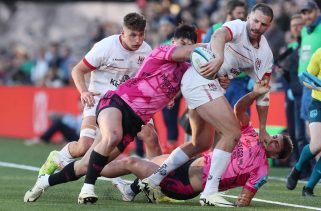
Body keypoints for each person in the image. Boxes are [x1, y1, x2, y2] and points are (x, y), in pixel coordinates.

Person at [23, 24, 201, 204]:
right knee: (112, 136)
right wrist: (213, 47)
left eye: (189, 44)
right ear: (173, 42)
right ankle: (88, 189)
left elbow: (192, 84)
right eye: (182, 43)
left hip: (136, 120)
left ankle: (44, 182)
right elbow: (188, 54)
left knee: (89, 165)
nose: (185, 47)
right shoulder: (164, 50)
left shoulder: (186, 70)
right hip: (118, 101)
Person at [141, 3, 274, 207]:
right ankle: (209, 192)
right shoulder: (238, 26)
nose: (257, 26)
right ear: (248, 18)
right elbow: (219, 35)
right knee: (232, 133)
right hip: (200, 80)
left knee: (201, 143)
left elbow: (263, 92)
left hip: (210, 86)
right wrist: (219, 57)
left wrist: (263, 128)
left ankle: (152, 180)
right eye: (255, 20)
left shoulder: (265, 54)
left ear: (269, 26)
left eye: (263, 24)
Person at [109, 82, 293, 207]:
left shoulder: (261, 170)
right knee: (155, 160)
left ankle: (86, 169)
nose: (273, 139)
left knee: (131, 163)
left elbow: (244, 198)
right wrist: (254, 94)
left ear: (275, 156)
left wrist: (242, 199)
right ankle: (131, 189)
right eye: (276, 137)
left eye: (277, 144)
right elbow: (239, 109)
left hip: (185, 184)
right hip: (189, 163)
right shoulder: (251, 134)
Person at [37, 12, 161, 176]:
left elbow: (151, 78)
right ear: (123, 33)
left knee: (150, 136)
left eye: (141, 35)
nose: (138, 40)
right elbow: (77, 70)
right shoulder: (105, 47)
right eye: (133, 35)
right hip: (99, 100)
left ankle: (158, 185)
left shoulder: (146, 51)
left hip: (129, 103)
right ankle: (58, 156)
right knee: (85, 146)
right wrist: (84, 91)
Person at [286, 48, 321, 197]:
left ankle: (308, 188)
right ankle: (297, 169)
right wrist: (317, 87)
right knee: (317, 144)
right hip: (318, 104)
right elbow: (305, 78)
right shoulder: (319, 53)